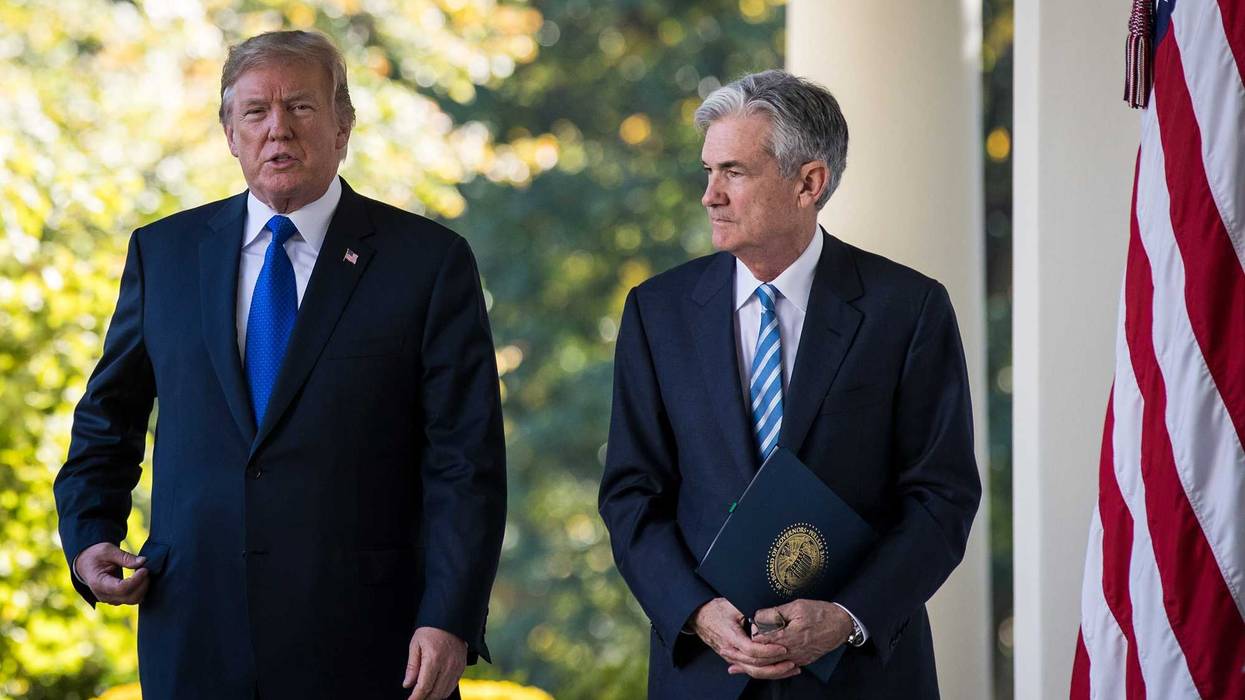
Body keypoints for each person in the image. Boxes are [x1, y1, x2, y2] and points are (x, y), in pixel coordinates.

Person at [53, 30, 506, 700]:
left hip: (371, 643)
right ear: (229, 133)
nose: (278, 131)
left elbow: (465, 464)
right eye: (256, 113)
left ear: (343, 126)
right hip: (194, 634)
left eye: (301, 108)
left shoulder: (428, 264)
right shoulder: (164, 254)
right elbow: (107, 420)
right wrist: (90, 535)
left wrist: (450, 616)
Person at [598, 70, 981, 699]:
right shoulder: (656, 311)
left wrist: (847, 617)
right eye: (708, 171)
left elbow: (942, 496)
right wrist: (695, 612)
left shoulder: (908, 309)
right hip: (705, 673)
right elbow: (631, 495)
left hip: (861, 676)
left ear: (809, 182)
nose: (710, 196)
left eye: (734, 172)